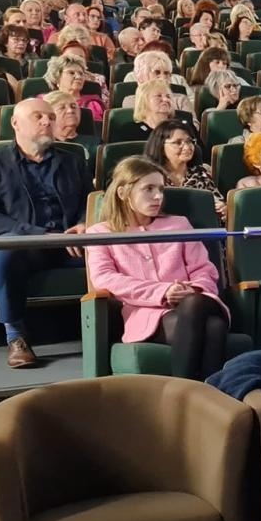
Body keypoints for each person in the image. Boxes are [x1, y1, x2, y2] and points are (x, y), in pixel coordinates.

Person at [0, 98, 91, 368]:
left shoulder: (73, 161)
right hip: (23, 245)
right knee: (5, 253)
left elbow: (90, 202)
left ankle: (127, 327)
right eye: (38, 116)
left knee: (118, 249)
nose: (47, 121)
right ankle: (15, 336)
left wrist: (85, 223)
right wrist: (41, 235)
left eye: (50, 117)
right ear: (15, 123)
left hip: (71, 244)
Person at [84, 157, 229, 378]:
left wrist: (193, 289)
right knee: (214, 328)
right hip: (146, 315)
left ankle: (181, 392)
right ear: (123, 193)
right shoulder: (101, 233)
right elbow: (105, 279)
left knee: (194, 302)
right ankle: (209, 394)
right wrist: (163, 292)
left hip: (197, 301)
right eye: (148, 189)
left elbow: (205, 269)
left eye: (161, 189)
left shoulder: (179, 224)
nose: (158, 196)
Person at [143, 121, 225, 218]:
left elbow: (217, 201)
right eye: (178, 143)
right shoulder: (151, 177)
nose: (187, 147)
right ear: (161, 146)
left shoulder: (199, 173)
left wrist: (223, 209)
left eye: (189, 141)